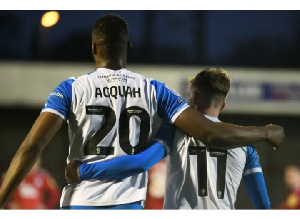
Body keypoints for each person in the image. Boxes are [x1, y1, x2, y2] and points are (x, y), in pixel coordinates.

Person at [0, 14, 284, 210]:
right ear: (129, 47)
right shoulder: (154, 91)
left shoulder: (71, 89)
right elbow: (210, 132)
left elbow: (30, 147)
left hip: (80, 202)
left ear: (94, 48)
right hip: (129, 204)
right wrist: (264, 131)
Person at [65, 67, 272, 209]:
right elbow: (263, 206)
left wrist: (84, 170)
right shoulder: (245, 145)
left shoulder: (174, 131)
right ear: (223, 105)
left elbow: (141, 162)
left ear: (194, 97)